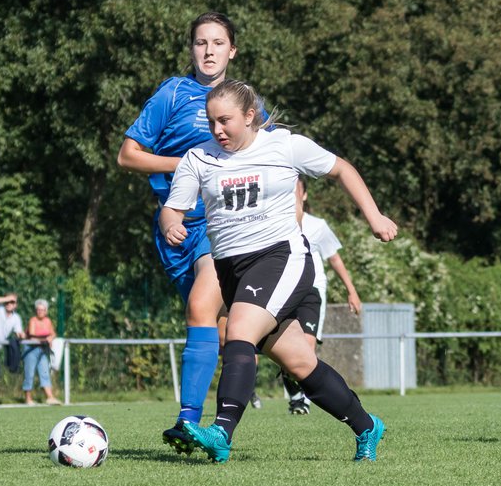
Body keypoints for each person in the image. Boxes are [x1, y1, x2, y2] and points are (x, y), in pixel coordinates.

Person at [159, 79, 397, 463]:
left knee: (238, 331)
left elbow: (343, 170)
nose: (217, 129)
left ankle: (220, 431)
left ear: (250, 116)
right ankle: (367, 425)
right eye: (211, 121)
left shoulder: (285, 144)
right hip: (231, 270)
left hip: (281, 257)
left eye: (226, 120)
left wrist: (375, 216)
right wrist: (170, 223)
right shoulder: (198, 159)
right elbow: (173, 208)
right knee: (301, 363)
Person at [117, 12, 248, 450]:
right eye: (200, 43)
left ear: (232, 50)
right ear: (191, 49)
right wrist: (185, 165)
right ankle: (221, 432)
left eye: (217, 43)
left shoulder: (246, 102)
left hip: (222, 224)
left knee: (200, 307)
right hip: (173, 227)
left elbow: (268, 159)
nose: (208, 51)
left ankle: (189, 421)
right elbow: (128, 156)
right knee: (225, 329)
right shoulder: (172, 94)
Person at [282, 176, 364, 415]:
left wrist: (352, 291)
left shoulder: (317, 225)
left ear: (304, 195)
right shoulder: (275, 224)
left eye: (297, 188)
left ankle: (307, 398)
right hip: (282, 290)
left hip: (312, 290)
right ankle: (297, 396)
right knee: (284, 350)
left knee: (307, 347)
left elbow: (334, 258)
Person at [21, 299, 62, 405]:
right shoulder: (33, 320)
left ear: (46, 311)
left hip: (42, 350)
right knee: (29, 373)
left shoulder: (48, 321)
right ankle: (28, 398)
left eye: (42, 310)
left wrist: (50, 338)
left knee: (45, 372)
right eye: (38, 309)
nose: (40, 312)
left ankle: (50, 397)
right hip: (31, 349)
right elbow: (33, 335)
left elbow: (53, 334)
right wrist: (46, 339)